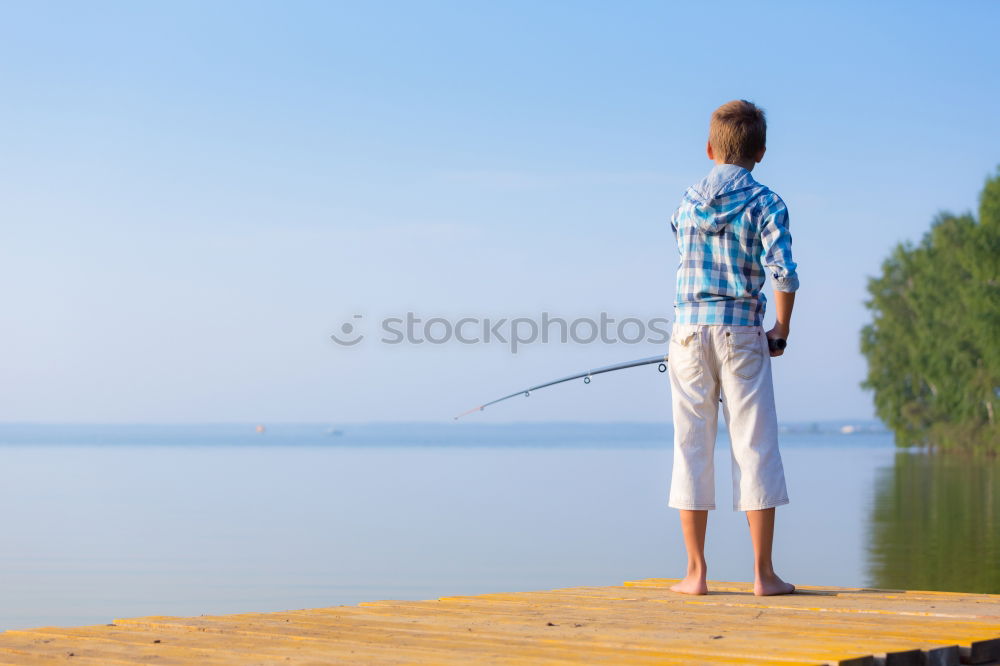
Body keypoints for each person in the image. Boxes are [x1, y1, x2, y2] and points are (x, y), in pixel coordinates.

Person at [666, 99, 798, 596]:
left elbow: (680, 244)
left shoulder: (684, 202)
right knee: (754, 446)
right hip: (741, 331)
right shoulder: (767, 201)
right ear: (760, 152)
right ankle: (763, 575)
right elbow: (783, 272)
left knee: (690, 446)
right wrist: (780, 329)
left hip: (687, 333)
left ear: (709, 148)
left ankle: (696, 574)